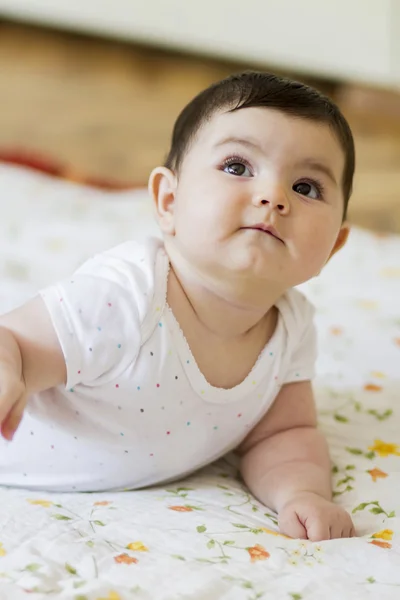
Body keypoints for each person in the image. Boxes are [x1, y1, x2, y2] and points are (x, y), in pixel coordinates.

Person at [0, 71, 355, 541]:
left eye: (307, 187)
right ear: (168, 200)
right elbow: (16, 344)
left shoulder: (291, 328)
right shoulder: (128, 296)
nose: (274, 197)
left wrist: (301, 494)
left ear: (333, 247)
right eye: (237, 166)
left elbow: (283, 437)